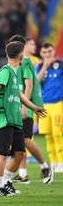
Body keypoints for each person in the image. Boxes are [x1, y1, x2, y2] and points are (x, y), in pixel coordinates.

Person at [0, 41, 47, 197]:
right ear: (21, 55)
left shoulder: (13, 72)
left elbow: (19, 94)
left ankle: (6, 183)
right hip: (2, 119)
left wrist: (33, 107)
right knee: (2, 154)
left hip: (14, 120)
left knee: (19, 153)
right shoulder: (5, 71)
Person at [7, 35, 52, 184]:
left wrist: (24, 107)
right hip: (19, 104)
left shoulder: (25, 61)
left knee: (25, 139)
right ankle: (23, 174)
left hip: (26, 105)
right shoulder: (19, 62)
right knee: (19, 140)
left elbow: (29, 84)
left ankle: (45, 167)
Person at [36, 43, 63, 173]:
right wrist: (45, 67)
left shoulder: (61, 65)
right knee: (48, 135)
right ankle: (53, 163)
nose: (47, 54)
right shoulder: (40, 66)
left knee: (58, 133)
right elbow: (36, 83)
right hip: (44, 105)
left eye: (49, 51)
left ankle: (61, 162)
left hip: (58, 103)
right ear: (41, 54)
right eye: (44, 52)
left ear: (53, 52)